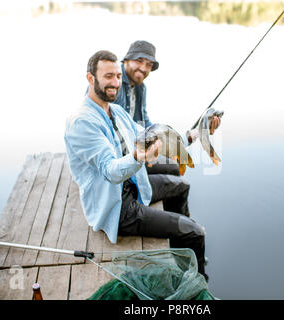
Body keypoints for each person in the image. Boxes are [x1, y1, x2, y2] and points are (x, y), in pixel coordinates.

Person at [65, 50, 208, 279]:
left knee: (181, 185)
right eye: (108, 76)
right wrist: (138, 157)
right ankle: (197, 283)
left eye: (118, 76)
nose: (115, 82)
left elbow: (151, 134)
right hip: (117, 206)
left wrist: (192, 135)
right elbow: (110, 171)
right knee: (195, 231)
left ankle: (179, 244)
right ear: (90, 79)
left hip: (133, 185)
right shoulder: (82, 122)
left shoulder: (116, 110)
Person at [86, 40, 221, 176]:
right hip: (118, 162)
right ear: (126, 60)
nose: (144, 68)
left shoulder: (140, 88)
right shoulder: (113, 86)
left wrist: (194, 134)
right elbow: (100, 122)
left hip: (137, 150)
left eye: (149, 65)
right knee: (179, 185)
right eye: (139, 61)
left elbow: (145, 126)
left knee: (175, 168)